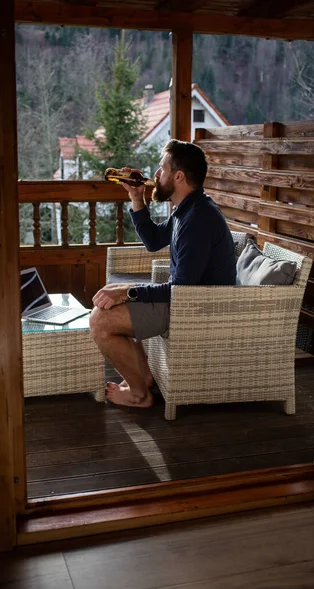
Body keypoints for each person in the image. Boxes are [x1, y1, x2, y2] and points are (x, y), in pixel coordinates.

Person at [90, 139, 237, 408]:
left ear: (178, 176)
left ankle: (139, 394)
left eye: (162, 168)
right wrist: (137, 198)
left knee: (101, 321)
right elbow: (153, 240)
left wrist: (128, 291)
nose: (156, 174)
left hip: (196, 309)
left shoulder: (197, 220)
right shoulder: (188, 210)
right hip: (187, 300)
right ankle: (144, 376)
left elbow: (181, 288)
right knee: (109, 308)